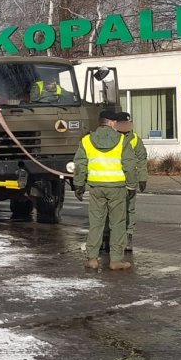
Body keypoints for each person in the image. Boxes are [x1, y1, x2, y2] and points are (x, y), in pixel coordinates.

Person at [72, 110, 139, 271]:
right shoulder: (122, 140)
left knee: (96, 223)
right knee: (117, 224)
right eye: (115, 122)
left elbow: (79, 165)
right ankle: (116, 260)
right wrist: (132, 185)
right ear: (110, 122)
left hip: (96, 188)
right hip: (117, 188)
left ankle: (92, 259)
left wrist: (78, 185)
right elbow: (130, 166)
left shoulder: (86, 140)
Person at [115, 112, 148, 252]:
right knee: (114, 210)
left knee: (129, 209)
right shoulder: (111, 137)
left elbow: (142, 159)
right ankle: (112, 238)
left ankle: (128, 236)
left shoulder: (135, 139)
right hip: (115, 180)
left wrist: (142, 178)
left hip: (130, 180)